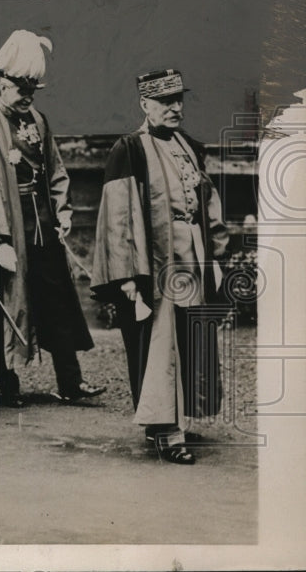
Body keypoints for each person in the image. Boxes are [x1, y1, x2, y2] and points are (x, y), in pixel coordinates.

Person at [91, 69, 229, 464]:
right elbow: (117, 218)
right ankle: (166, 433)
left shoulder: (188, 146)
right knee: (160, 344)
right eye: (165, 101)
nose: (175, 108)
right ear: (145, 105)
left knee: (189, 339)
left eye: (178, 99)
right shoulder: (130, 149)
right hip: (156, 264)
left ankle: (176, 421)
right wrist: (128, 278)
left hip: (193, 259)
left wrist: (215, 255)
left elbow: (208, 203)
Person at [0, 30, 105, 407]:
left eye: (32, 91)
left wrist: (62, 211)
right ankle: (8, 384)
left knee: (57, 300)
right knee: (6, 305)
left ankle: (70, 383)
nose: (27, 97)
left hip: (41, 225)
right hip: (8, 232)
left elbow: (56, 170)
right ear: (2, 85)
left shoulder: (39, 121)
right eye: (20, 89)